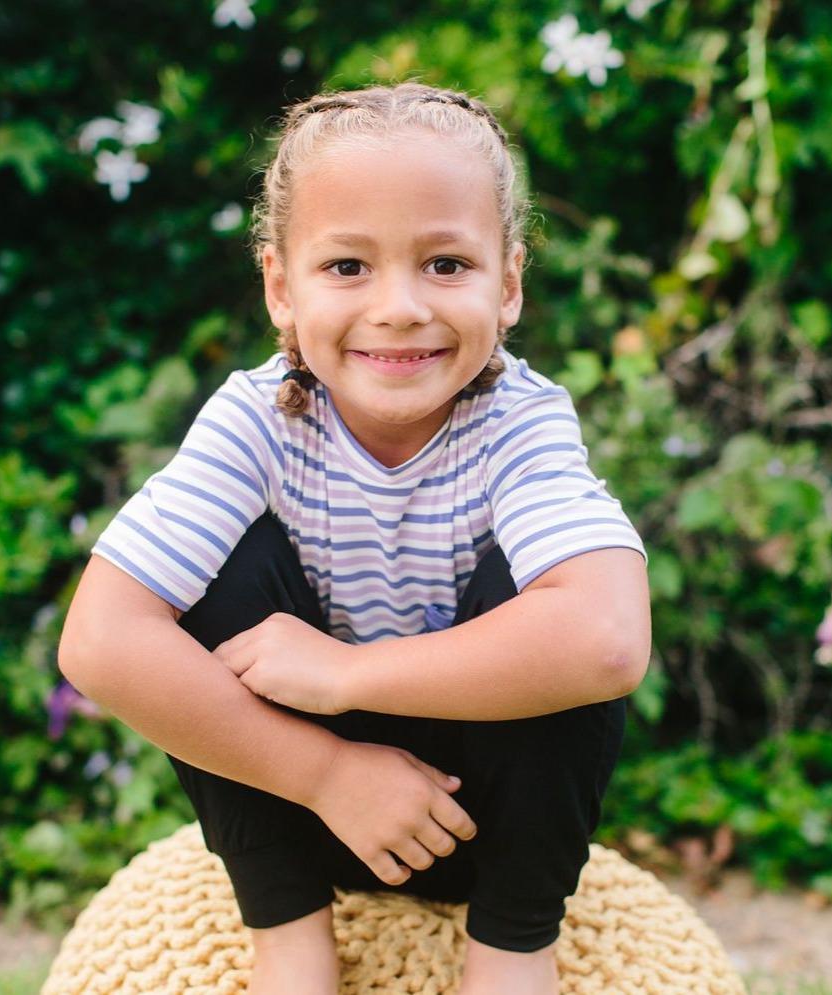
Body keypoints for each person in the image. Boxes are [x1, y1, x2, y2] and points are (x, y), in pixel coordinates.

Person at [58, 81, 652, 995]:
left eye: (446, 264)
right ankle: (291, 949)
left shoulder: (520, 422)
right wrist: (328, 771)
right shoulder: (255, 421)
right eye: (347, 267)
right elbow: (100, 640)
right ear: (279, 288)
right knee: (213, 574)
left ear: (510, 285)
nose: (400, 306)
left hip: (474, 819)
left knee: (550, 595)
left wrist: (345, 673)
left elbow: (608, 640)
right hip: (306, 811)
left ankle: (510, 957)